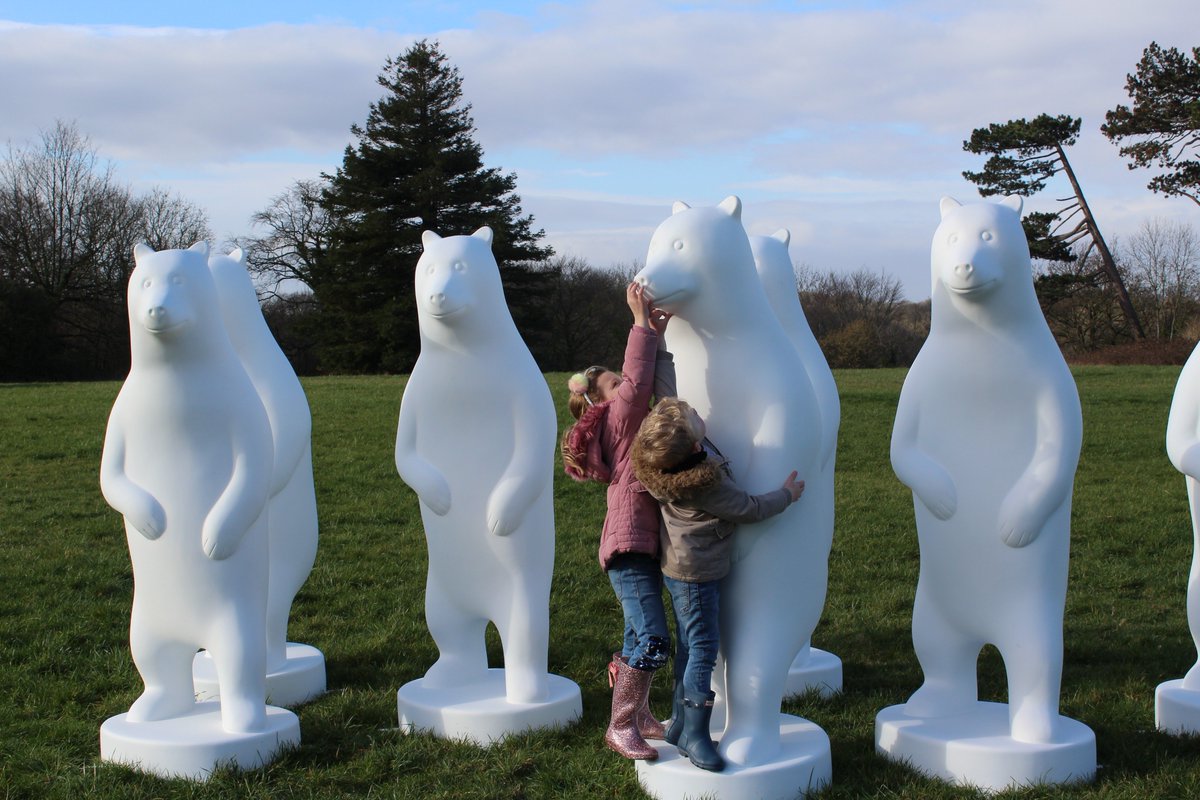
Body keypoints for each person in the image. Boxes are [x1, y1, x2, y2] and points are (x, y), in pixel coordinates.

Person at [630, 397, 805, 771]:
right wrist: (786, 496)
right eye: (694, 416)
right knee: (704, 648)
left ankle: (678, 721)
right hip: (697, 574)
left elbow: (668, 417)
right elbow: (750, 508)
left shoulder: (659, 465)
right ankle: (695, 733)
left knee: (688, 644)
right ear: (695, 446)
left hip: (675, 567)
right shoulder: (704, 484)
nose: (698, 411)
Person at [561, 282, 676, 761]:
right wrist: (639, 322)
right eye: (612, 384)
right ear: (599, 403)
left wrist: (658, 336)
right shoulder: (618, 419)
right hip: (629, 546)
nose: (623, 385)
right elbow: (636, 381)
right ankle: (619, 725)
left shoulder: (626, 425)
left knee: (636, 634)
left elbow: (642, 381)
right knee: (653, 638)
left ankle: (640, 713)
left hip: (639, 544)